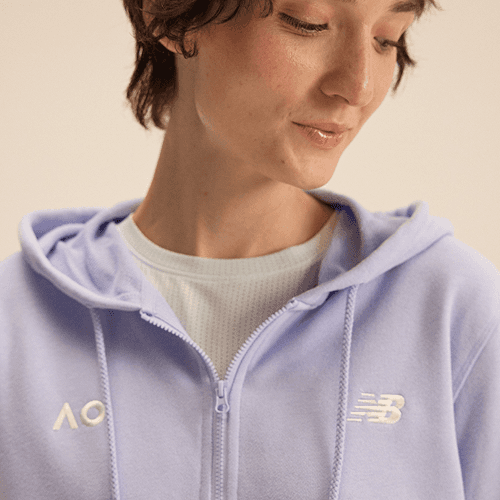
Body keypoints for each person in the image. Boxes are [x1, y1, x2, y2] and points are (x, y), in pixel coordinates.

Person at [0, 0, 498, 498]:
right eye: (309, 24)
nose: (359, 86)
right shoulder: (14, 324)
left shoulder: (455, 311)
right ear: (171, 15)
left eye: (387, 38)